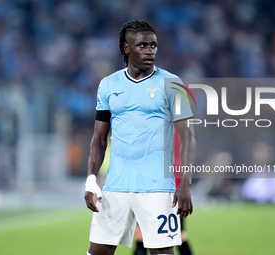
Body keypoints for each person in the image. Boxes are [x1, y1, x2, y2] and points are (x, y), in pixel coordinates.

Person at [84, 20, 196, 255]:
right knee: (98, 251)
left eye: (153, 45)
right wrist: (91, 180)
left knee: (162, 252)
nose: (150, 51)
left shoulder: (172, 83)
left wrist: (185, 182)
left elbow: (188, 136)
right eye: (142, 45)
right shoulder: (108, 85)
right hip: (116, 186)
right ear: (127, 48)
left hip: (158, 188)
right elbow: (99, 139)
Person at [134, 127, 193, 255]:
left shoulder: (157, 119)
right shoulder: (178, 120)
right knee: (178, 234)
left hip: (157, 181)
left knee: (142, 233)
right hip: (174, 181)